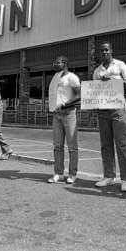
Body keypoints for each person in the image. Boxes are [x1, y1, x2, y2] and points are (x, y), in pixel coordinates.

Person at [93, 42, 126, 192]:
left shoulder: (120, 65)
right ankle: (109, 176)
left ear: (111, 51)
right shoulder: (97, 71)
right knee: (105, 145)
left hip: (118, 108)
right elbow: (93, 92)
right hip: (103, 110)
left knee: (121, 144)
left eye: (107, 50)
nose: (104, 52)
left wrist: (114, 80)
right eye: (102, 50)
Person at [47, 56, 81, 184]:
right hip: (56, 114)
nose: (54, 64)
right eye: (54, 62)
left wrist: (65, 104)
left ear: (65, 63)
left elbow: (79, 95)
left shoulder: (72, 77)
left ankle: (72, 174)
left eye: (57, 62)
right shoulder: (55, 77)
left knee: (72, 146)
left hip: (69, 113)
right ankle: (58, 173)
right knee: (57, 146)